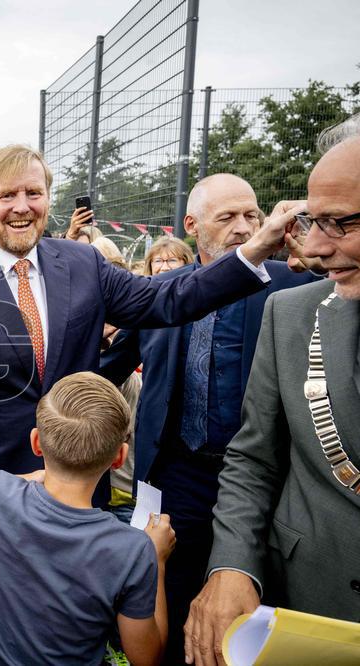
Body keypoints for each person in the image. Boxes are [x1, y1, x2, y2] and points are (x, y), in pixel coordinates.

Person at [0, 144, 292, 666]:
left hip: (75, 484)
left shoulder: (81, 262)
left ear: (48, 199)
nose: (21, 205)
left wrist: (254, 250)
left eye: (34, 192)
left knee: (74, 619)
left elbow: (167, 300)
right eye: (6, 194)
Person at [99, 174, 319, 663]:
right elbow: (103, 373)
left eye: (252, 216)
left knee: (254, 603)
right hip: (173, 475)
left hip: (268, 480)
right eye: (228, 218)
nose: (243, 228)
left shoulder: (297, 285)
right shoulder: (159, 293)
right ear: (192, 225)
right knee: (170, 596)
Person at [182, 137, 360, 666]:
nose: (319, 248)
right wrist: (233, 564)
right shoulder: (293, 313)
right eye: (314, 223)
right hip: (312, 607)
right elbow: (255, 455)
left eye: (341, 223)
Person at [0, 372, 175, 665]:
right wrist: (158, 561)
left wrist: (24, 479)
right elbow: (146, 657)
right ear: (119, 457)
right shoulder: (133, 550)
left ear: (36, 442)